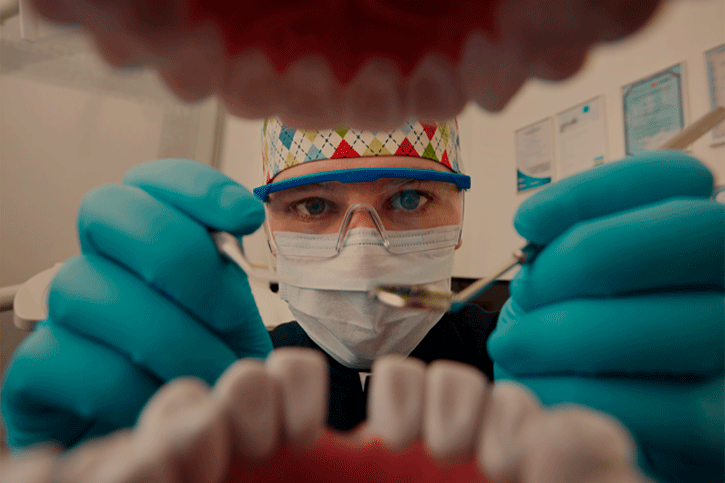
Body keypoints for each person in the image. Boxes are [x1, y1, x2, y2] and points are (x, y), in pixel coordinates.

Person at [1, 117, 723, 483]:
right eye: (312, 205)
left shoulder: (537, 363)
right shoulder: (218, 382)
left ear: (458, 212)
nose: (364, 249)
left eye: (407, 198)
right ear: (266, 228)